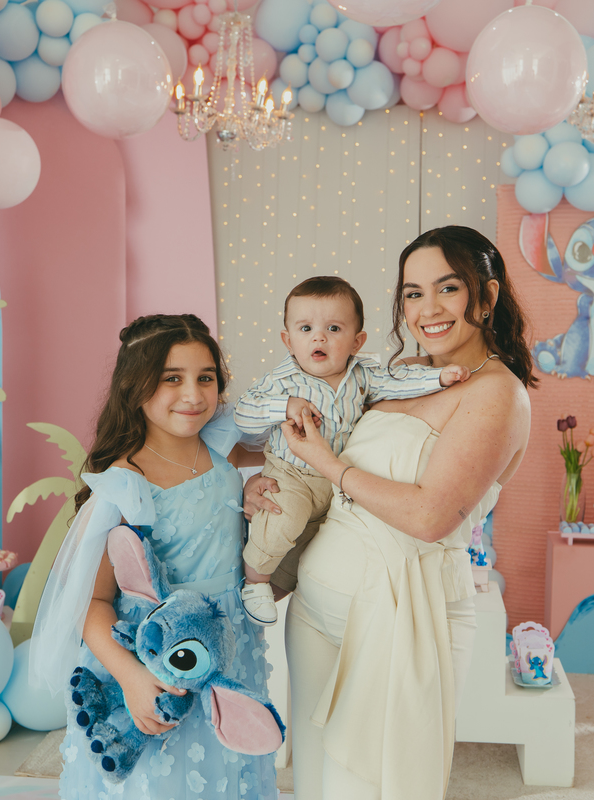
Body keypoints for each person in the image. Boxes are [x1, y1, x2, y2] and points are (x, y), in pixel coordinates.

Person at [247, 226, 537, 799]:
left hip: (404, 616)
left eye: (448, 288)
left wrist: (327, 464)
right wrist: (263, 475)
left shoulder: (496, 393)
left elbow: (431, 516)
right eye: (412, 293)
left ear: (487, 295)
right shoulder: (398, 375)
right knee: (312, 783)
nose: (428, 309)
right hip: (315, 608)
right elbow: (315, 445)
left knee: (364, 786)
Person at [30, 314, 278, 800]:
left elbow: (293, 440)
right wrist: (132, 678)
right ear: (136, 386)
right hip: (154, 658)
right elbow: (91, 603)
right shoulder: (127, 483)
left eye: (206, 378)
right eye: (172, 379)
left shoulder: (222, 447)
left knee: (226, 773)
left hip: (229, 646)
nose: (193, 394)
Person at [233, 276, 470, 627]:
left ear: (357, 341)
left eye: (333, 328)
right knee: (283, 520)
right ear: (288, 340)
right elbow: (243, 411)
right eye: (306, 328)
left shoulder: (363, 375)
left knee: (310, 543)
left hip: (334, 483)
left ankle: (280, 584)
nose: (319, 338)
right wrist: (284, 406)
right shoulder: (282, 381)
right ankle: (255, 583)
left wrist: (438, 378)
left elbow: (398, 383)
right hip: (292, 473)